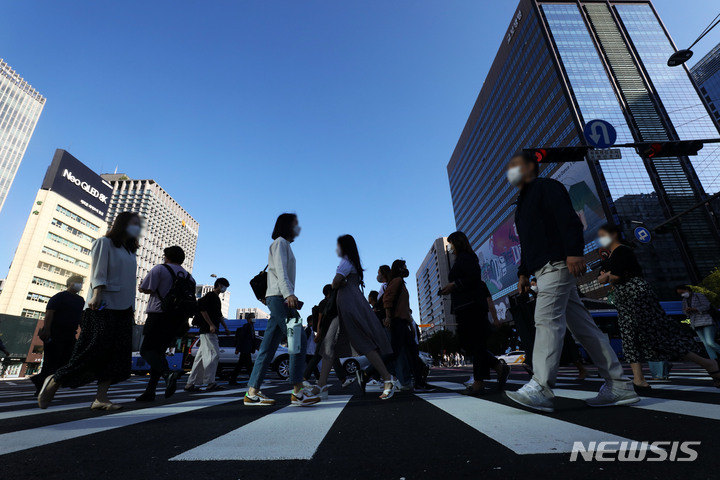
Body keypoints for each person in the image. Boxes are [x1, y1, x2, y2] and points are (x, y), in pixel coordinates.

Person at [503, 152, 638, 413]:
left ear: (532, 167)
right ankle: (618, 385)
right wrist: (522, 273)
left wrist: (574, 252)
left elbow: (569, 220)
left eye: (516, 166)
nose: (512, 172)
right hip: (543, 268)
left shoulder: (546, 187)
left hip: (556, 264)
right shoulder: (521, 205)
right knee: (583, 327)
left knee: (546, 320)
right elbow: (527, 244)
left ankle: (541, 387)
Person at [595, 224, 720, 390]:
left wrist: (607, 276)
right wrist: (607, 276)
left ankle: (710, 364)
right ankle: (639, 379)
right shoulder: (613, 255)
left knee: (658, 336)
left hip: (636, 295)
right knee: (629, 336)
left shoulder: (622, 251)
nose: (601, 239)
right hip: (626, 298)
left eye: (603, 235)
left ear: (614, 235)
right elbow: (608, 276)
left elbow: (615, 276)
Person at [38, 212, 141, 410]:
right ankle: (55, 379)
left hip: (124, 308)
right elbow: (98, 270)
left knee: (116, 354)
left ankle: (100, 398)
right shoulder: (105, 243)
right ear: (123, 225)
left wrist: (133, 310)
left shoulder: (130, 251)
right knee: (93, 348)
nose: (137, 228)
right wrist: (97, 292)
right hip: (102, 304)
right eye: (133, 223)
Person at [245, 213, 319, 406]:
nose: (298, 229)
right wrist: (289, 294)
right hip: (280, 298)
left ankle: (252, 392)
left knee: (268, 347)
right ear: (287, 226)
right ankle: (297, 391)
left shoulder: (283, 245)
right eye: (296, 225)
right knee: (298, 339)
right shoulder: (280, 243)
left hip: (278, 297)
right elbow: (280, 270)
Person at [316, 235, 397, 400]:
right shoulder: (352, 262)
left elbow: (335, 282)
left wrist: (339, 283)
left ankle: (388, 379)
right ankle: (321, 385)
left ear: (344, 247)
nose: (336, 249)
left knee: (361, 343)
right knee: (330, 343)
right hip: (346, 306)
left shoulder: (346, 261)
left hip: (348, 307)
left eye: (338, 245)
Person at [440, 232, 510, 395]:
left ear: (458, 243)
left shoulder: (467, 258)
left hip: (471, 306)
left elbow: (474, 278)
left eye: (451, 244)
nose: (450, 248)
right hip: (465, 307)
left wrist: (454, 285)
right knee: (469, 345)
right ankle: (498, 366)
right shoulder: (462, 259)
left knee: (476, 344)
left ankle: (479, 382)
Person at [136, 246, 194, 401]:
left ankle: (168, 374)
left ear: (167, 257)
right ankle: (150, 391)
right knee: (159, 353)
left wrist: (141, 287)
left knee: (146, 350)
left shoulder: (160, 269)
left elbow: (147, 288)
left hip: (158, 315)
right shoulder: (189, 277)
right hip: (176, 319)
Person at [383, 259, 434, 392]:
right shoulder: (397, 281)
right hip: (397, 322)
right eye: (404, 266)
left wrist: (411, 326)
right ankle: (368, 371)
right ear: (399, 268)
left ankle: (419, 382)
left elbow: (405, 307)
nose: (406, 269)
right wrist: (388, 317)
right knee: (396, 353)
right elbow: (387, 298)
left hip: (403, 323)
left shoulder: (400, 282)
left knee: (412, 353)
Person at [31, 275, 84, 395]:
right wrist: (47, 330)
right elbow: (49, 314)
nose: (80, 285)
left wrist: (83, 329)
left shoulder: (80, 300)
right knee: (51, 362)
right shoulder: (59, 297)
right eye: (78, 282)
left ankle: (43, 382)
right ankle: (41, 387)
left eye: (81, 283)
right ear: (70, 283)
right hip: (55, 333)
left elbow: (81, 317)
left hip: (70, 334)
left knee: (67, 360)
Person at [302, 284, 353, 390]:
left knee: (330, 356)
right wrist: (319, 334)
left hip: (327, 333)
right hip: (326, 333)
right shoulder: (326, 303)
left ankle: (343, 379)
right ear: (329, 292)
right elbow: (320, 319)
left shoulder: (326, 302)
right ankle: (304, 377)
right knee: (321, 356)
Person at [185, 277, 231, 392]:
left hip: (209, 330)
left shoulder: (216, 299)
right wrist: (211, 324)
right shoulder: (210, 296)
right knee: (214, 354)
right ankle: (210, 382)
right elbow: (202, 310)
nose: (224, 289)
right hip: (208, 330)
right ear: (219, 285)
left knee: (200, 358)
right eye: (224, 286)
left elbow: (219, 316)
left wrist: (225, 328)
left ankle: (190, 383)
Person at [677, 285, 720, 361]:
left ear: (687, 289)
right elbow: (684, 310)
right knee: (706, 344)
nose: (682, 294)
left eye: (683, 292)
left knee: (710, 342)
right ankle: (714, 360)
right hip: (695, 322)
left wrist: (695, 309)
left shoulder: (698, 296)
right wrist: (687, 311)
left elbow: (707, 306)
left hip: (706, 320)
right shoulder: (684, 300)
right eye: (680, 294)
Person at [229, 316, 257, 385]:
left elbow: (253, 339)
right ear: (248, 319)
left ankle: (233, 379)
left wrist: (255, 347)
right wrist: (238, 348)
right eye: (252, 317)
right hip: (244, 349)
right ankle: (252, 380)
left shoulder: (252, 327)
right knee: (247, 366)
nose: (253, 319)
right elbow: (241, 338)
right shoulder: (246, 326)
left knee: (242, 365)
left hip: (247, 349)